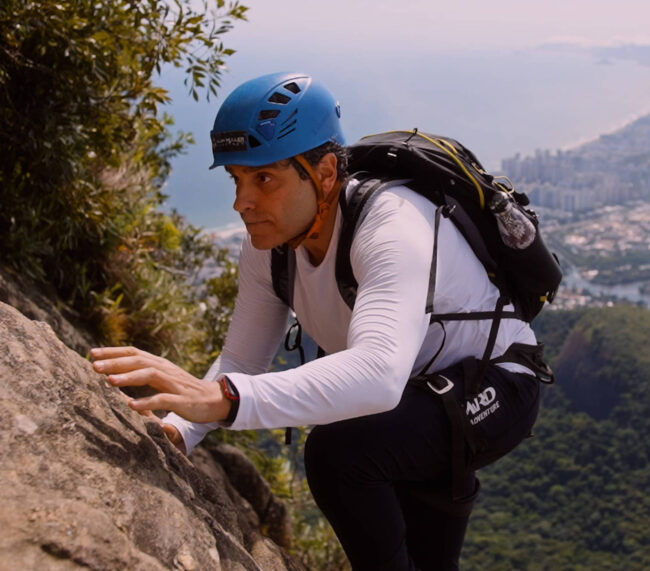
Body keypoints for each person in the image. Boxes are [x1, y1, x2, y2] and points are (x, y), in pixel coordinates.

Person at [90, 72, 547, 570]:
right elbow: (244, 357)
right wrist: (181, 428)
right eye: (237, 179)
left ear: (325, 173)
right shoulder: (270, 245)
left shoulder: (392, 226)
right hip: (418, 397)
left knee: (340, 452)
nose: (242, 202)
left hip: (495, 384)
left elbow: (377, 375)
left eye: (264, 178)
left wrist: (225, 401)